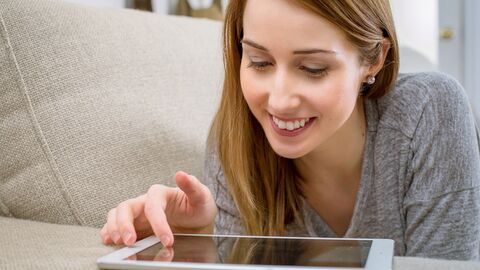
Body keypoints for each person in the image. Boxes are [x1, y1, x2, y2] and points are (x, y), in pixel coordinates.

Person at [100, 0, 480, 260]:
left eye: (313, 69)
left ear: (374, 58)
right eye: (260, 62)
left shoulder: (430, 111)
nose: (279, 102)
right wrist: (200, 243)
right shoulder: (235, 137)